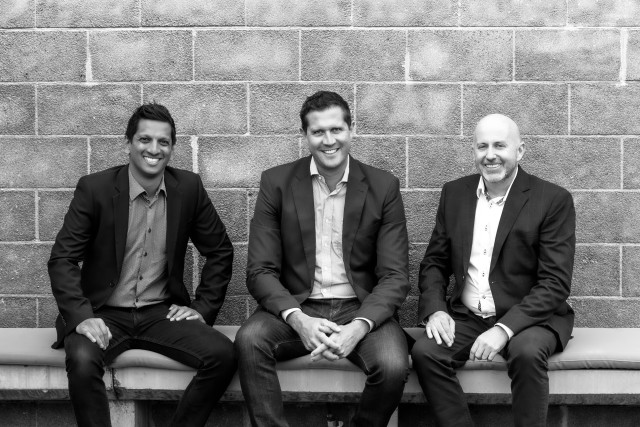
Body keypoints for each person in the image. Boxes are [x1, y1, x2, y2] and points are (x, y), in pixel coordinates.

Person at [48, 103, 236, 427]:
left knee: (223, 355)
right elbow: (62, 258)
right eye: (145, 139)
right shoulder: (95, 189)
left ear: (172, 147)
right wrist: (81, 317)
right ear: (128, 144)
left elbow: (220, 250)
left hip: (160, 313)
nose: (154, 149)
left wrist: (203, 308)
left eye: (163, 142)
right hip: (102, 312)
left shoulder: (188, 188)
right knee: (81, 359)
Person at [235, 91, 411, 427]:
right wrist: (299, 320)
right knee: (250, 340)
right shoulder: (276, 183)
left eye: (336, 129)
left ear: (351, 129)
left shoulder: (383, 186)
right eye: (318, 132)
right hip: (299, 304)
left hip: (360, 307)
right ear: (305, 135)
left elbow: (395, 276)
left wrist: (358, 327)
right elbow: (259, 270)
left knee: (392, 365)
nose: (329, 141)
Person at [411, 114, 576, 427]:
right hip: (468, 316)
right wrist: (435, 310)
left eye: (500, 146)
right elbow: (434, 263)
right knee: (426, 352)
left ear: (520, 150)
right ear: (473, 151)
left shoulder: (552, 200)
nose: (490, 155)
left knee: (527, 354)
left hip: (530, 319)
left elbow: (555, 283)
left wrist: (503, 330)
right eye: (482, 146)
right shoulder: (454, 194)